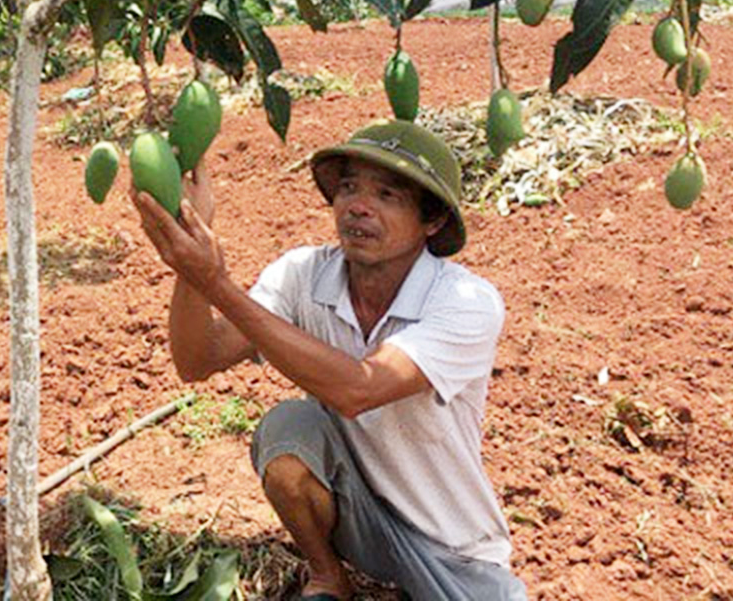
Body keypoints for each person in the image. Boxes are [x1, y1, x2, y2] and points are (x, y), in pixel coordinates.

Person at [131, 120, 527, 601]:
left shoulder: (466, 301)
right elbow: (199, 360)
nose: (358, 206)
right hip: (359, 518)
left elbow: (357, 390)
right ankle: (328, 576)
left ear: (434, 221)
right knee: (289, 429)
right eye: (348, 187)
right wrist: (190, 259)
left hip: (452, 549)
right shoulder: (303, 275)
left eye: (387, 195)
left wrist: (216, 283)